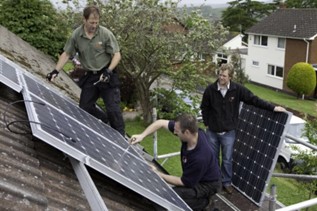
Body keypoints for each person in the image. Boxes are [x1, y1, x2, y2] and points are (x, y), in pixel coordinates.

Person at [200, 63, 286, 194]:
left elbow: (253, 100)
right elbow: (204, 107)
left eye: (224, 75)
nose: (221, 78)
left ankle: (226, 182)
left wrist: (273, 108)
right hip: (212, 132)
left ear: (230, 77)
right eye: (220, 74)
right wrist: (207, 123)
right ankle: (215, 182)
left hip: (229, 133)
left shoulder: (237, 90)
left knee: (227, 159)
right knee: (213, 158)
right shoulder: (210, 90)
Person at [46, 6, 125, 136]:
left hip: (106, 74)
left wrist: (109, 71)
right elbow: (66, 54)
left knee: (113, 109)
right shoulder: (76, 35)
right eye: (91, 22)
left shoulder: (105, 34)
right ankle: (105, 121)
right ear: (84, 19)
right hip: (91, 76)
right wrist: (55, 71)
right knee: (85, 107)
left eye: (96, 22)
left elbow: (117, 55)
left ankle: (121, 138)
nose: (94, 25)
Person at [130, 114, 221, 211]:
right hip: (196, 176)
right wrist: (142, 136)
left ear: (186, 132)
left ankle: (204, 203)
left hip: (206, 185)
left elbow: (184, 182)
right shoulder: (192, 132)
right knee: (165, 198)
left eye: (177, 131)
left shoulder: (200, 157)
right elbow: (160, 123)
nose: (174, 132)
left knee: (167, 202)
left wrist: (158, 174)